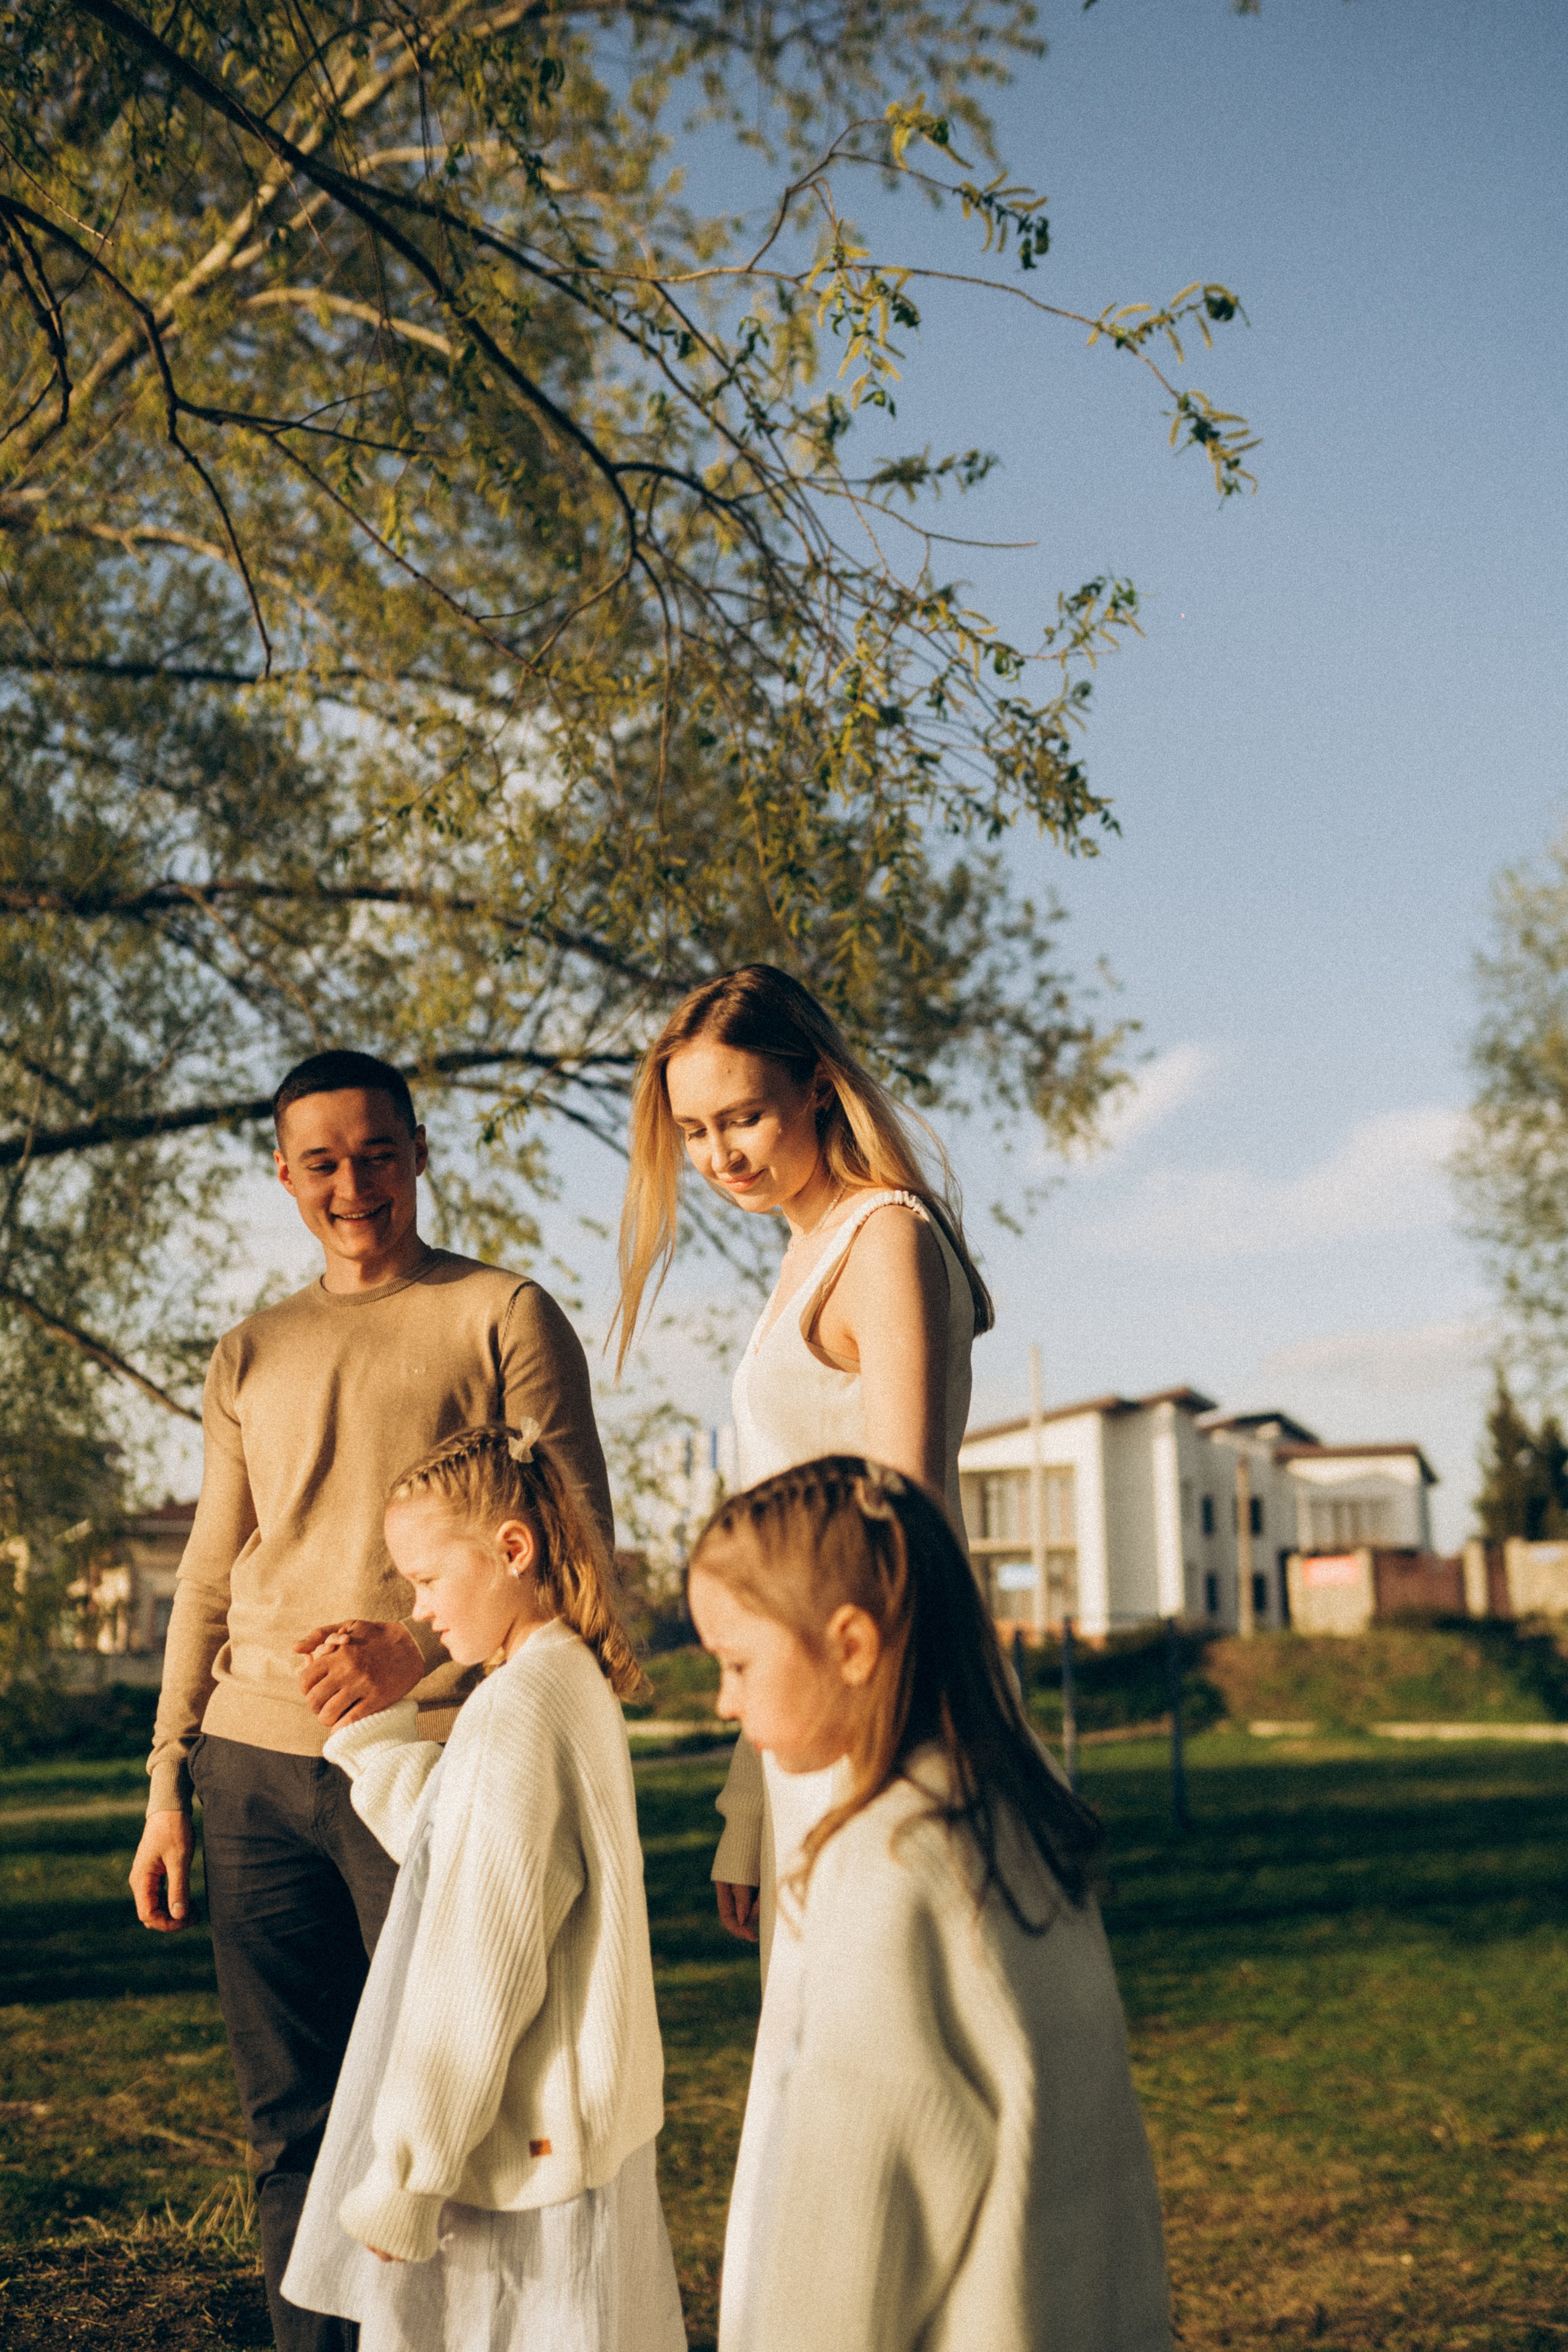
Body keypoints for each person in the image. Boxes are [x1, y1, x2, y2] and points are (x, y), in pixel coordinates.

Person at [128, 1050, 613, 2352]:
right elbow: (207, 1576)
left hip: (434, 1768)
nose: (354, 1184)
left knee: (446, 2104)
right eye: (323, 1162)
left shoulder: (502, 1312)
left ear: (418, 1151)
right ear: (284, 1176)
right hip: (249, 1766)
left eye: (378, 1152)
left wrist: (425, 1661)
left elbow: (573, 1551)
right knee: (294, 2124)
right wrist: (169, 1775)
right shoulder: (253, 1349)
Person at [687, 1458, 1170, 2352]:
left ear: (851, 1645)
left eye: (739, 1663)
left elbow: (852, 2225)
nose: (725, 1701)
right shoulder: (1015, 1819)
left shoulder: (884, 1867)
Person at [613, 962, 991, 1977]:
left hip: (873, 1711)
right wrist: (749, 1792)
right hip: (797, 1714)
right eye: (692, 1132)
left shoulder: (884, 1239)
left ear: (818, 1086)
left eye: (741, 1118)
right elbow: (785, 1562)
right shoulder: (807, 1252)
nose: (717, 1155)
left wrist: (882, 1756)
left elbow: (901, 1520)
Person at [282, 1423, 686, 2352]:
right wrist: (378, 1735)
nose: (420, 1613)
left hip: (506, 2152)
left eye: (427, 1580)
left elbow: (479, 1961)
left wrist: (408, 2175)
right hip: (561, 2132)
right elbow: (453, 1852)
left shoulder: (516, 1710)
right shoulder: (559, 1680)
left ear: (514, 1548)